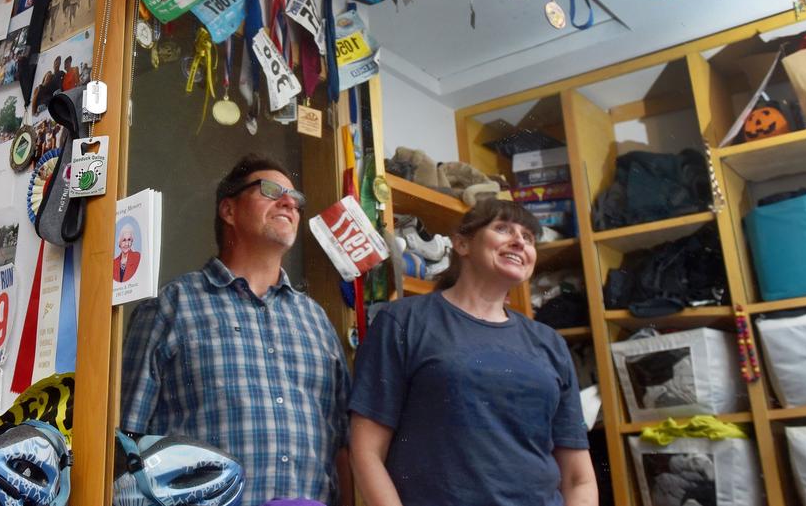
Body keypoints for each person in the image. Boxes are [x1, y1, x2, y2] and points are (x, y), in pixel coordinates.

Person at [122, 154, 352, 506]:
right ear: (228, 211)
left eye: (295, 198)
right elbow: (125, 442)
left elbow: (343, 450)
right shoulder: (171, 306)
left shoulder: (318, 322)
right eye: (272, 190)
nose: (289, 202)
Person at [349, 198, 598, 506]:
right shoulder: (403, 321)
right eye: (503, 228)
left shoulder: (550, 343)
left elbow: (579, 477)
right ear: (462, 244)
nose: (519, 241)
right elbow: (366, 452)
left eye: (529, 238)